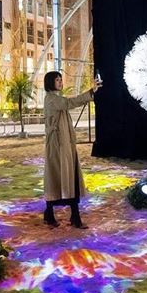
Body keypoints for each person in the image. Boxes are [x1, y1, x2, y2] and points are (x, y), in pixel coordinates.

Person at [42, 71, 101, 228]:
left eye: (61, 79)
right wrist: (90, 92)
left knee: (67, 177)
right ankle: (58, 215)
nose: (61, 82)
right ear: (50, 82)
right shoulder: (52, 99)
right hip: (58, 146)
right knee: (58, 177)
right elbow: (70, 103)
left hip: (64, 145)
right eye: (57, 80)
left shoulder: (54, 98)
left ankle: (66, 215)